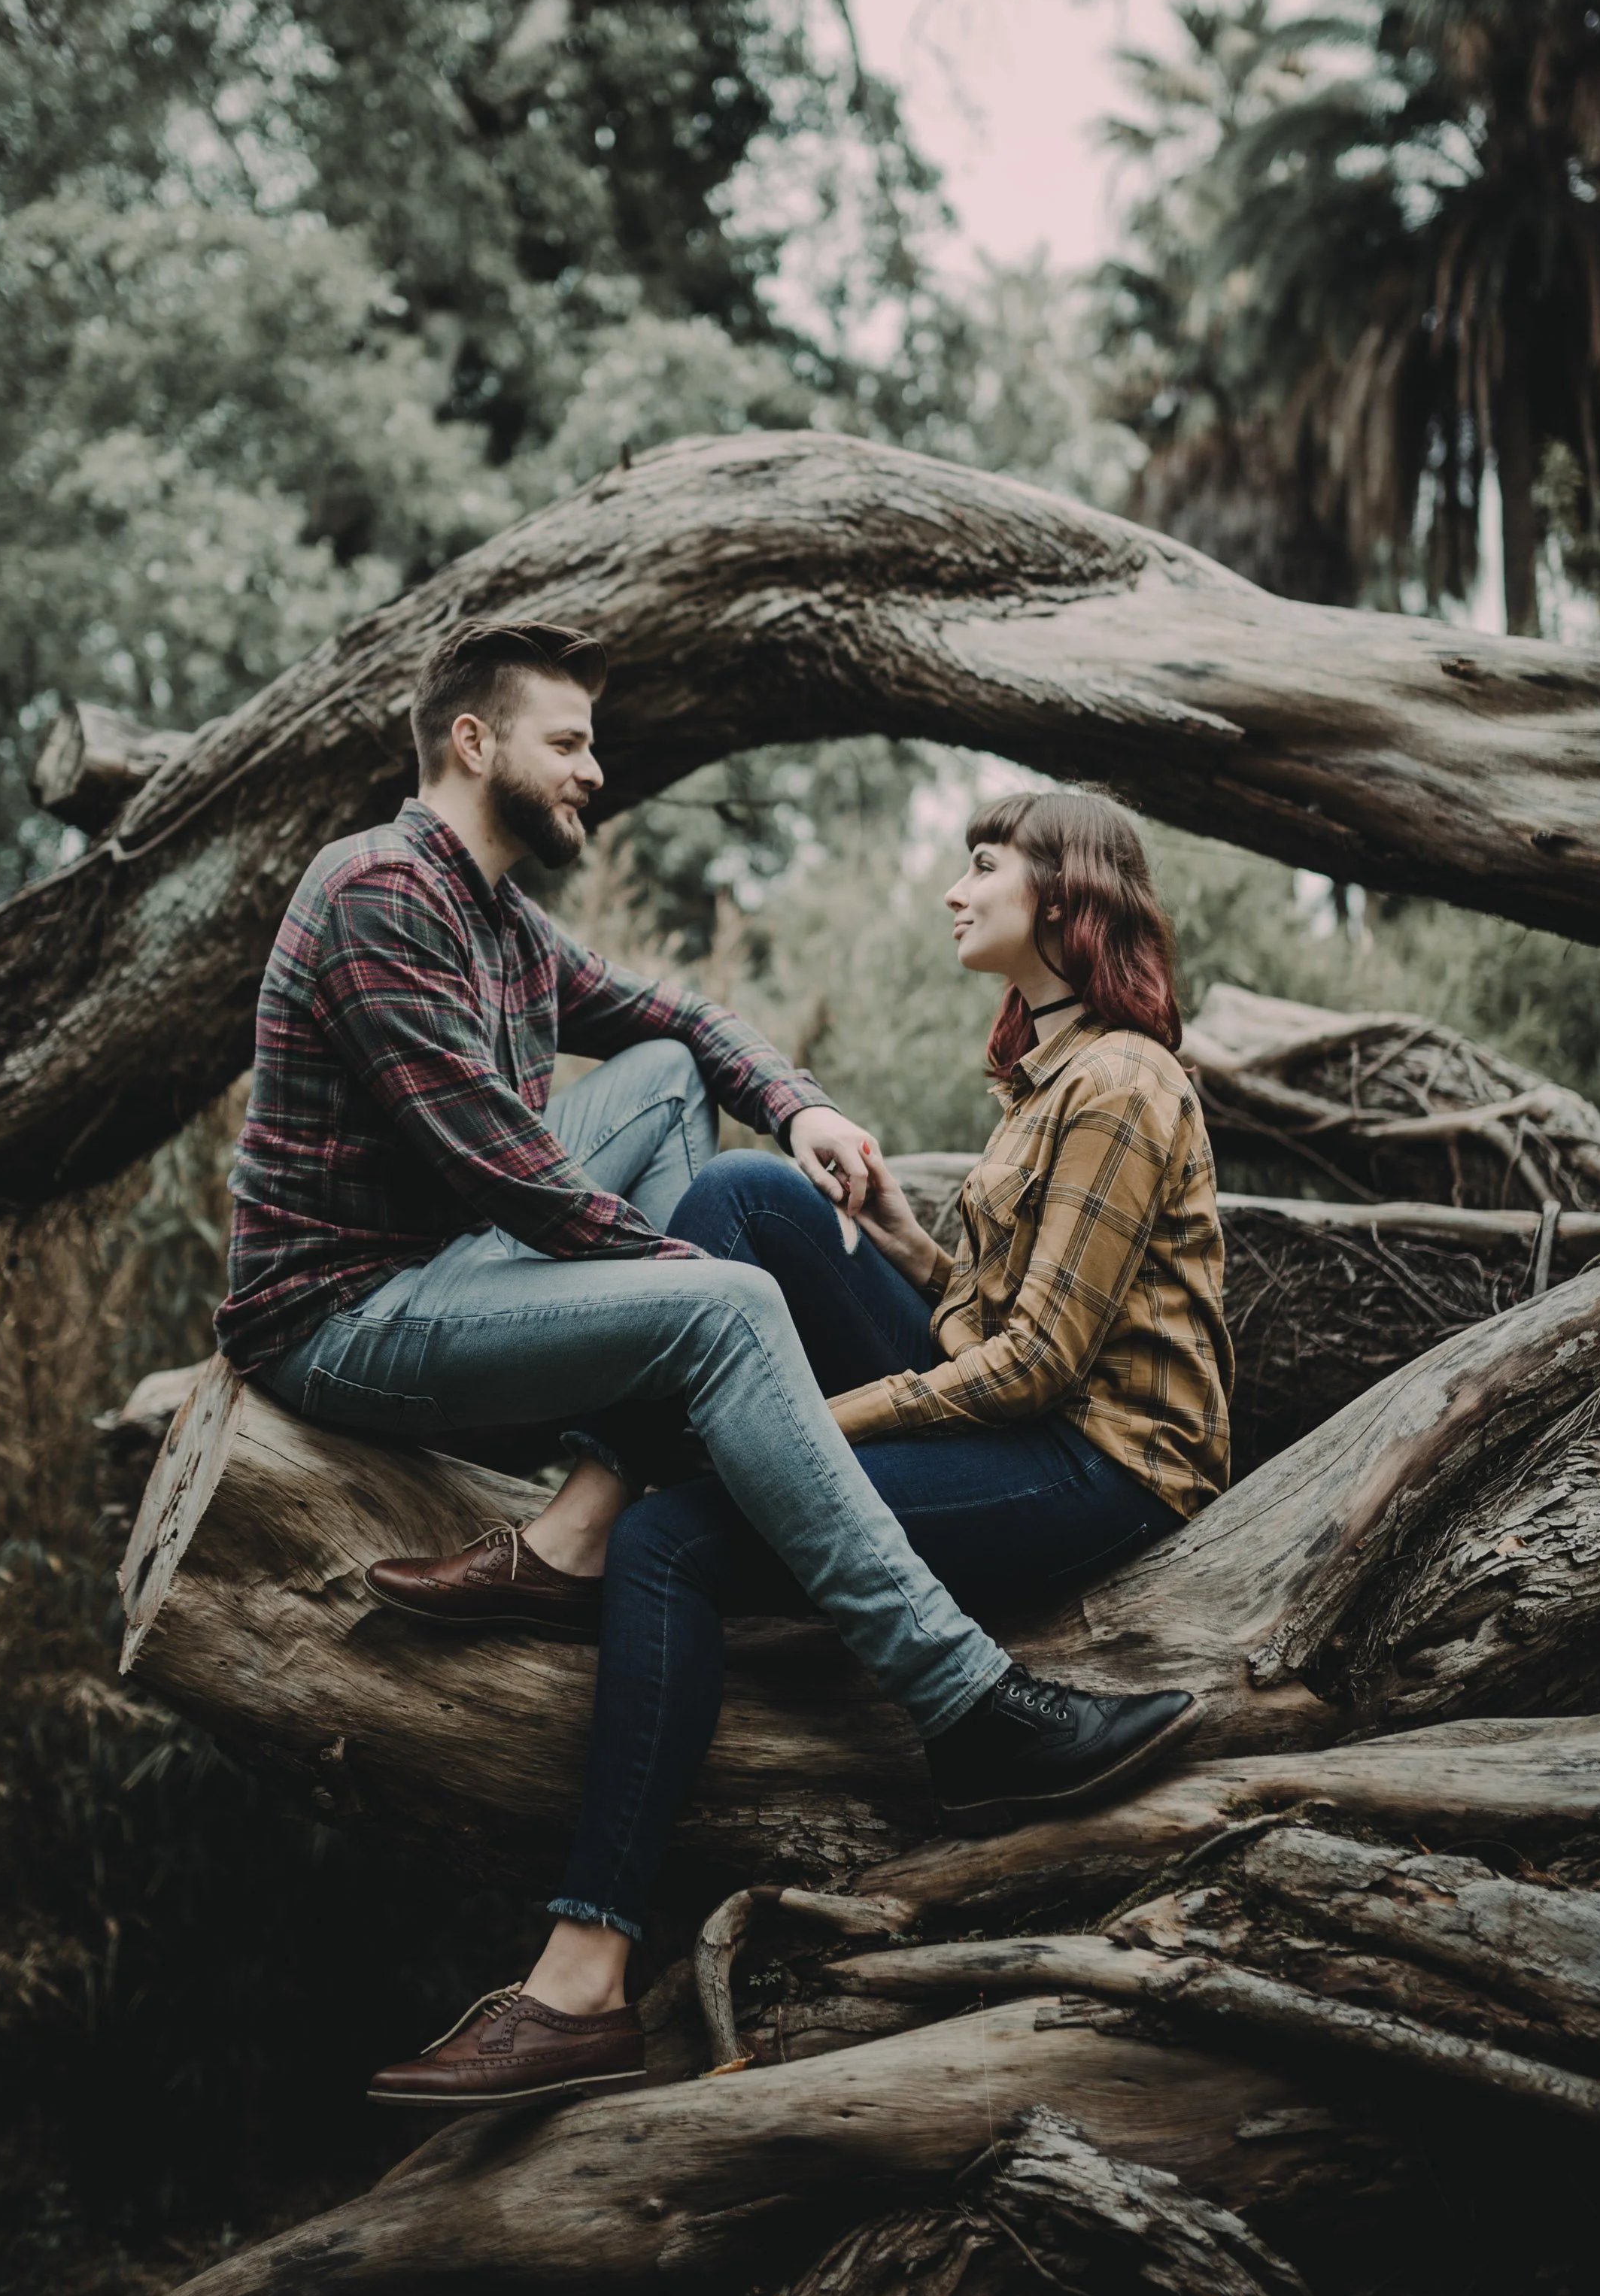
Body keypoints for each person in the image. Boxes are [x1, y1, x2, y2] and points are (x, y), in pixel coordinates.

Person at [343, 719, 1215, 2109]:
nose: (955, 889)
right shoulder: (1047, 1074)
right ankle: (595, 1501)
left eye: (983, 865)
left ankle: (581, 1982)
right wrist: (912, 1246)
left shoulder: (1117, 1080)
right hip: (1018, 1413)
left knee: (676, 1545)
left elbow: (1044, 1367)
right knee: (750, 1195)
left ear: (1064, 897)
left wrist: (815, 1423)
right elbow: (995, 1314)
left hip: (1093, 1466)